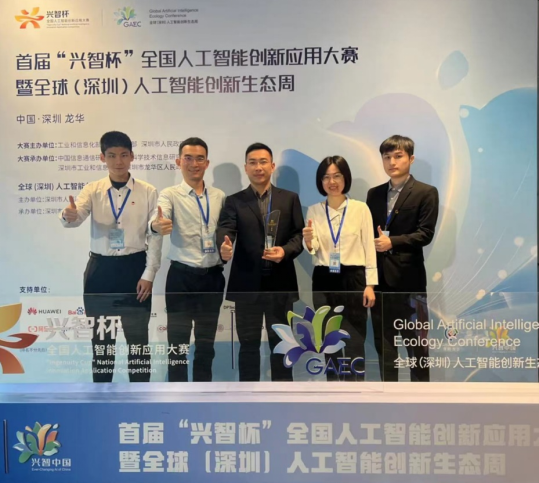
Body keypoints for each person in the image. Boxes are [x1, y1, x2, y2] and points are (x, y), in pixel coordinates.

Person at [60, 131, 162, 383]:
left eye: (124, 155)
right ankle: (102, 397)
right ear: (102, 157)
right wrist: (68, 216)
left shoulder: (148, 191)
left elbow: (155, 234)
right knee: (102, 345)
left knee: (138, 344)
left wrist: (149, 273)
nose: (118, 161)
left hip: (134, 270)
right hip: (100, 272)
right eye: (112, 155)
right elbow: (76, 216)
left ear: (132, 156)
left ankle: (140, 397)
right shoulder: (93, 190)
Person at [217, 142, 304, 382]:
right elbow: (226, 229)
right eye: (253, 163)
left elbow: (299, 235)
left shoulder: (290, 199)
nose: (258, 167)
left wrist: (284, 251)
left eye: (263, 162)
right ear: (245, 168)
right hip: (247, 284)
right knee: (248, 346)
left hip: (281, 284)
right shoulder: (234, 201)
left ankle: (283, 394)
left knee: (283, 345)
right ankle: (248, 396)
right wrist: (224, 246)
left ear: (272, 166)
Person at [150, 137, 225, 382]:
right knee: (177, 346)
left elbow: (226, 232)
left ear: (207, 163)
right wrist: (156, 225)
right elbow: (159, 218)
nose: (194, 164)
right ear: (179, 162)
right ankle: (176, 395)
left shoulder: (219, 196)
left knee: (206, 345)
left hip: (212, 279)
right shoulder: (170, 195)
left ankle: (203, 394)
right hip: (181, 278)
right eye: (188, 158)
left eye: (200, 158)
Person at [366, 135, 439, 382]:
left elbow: (425, 234)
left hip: (411, 284)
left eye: (398, 156)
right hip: (380, 284)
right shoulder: (374, 194)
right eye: (387, 157)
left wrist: (392, 242)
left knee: (417, 349)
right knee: (385, 348)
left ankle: (421, 400)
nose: (392, 162)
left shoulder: (426, 192)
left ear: (411, 158)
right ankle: (389, 399)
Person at [303, 156, 377, 381]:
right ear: (320, 181)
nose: (332, 182)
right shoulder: (314, 210)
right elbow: (314, 249)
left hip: (353, 277)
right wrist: (308, 241)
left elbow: (369, 248)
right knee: (329, 339)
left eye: (337, 176)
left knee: (355, 338)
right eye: (326, 177)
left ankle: (356, 388)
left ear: (346, 178)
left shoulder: (360, 209)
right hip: (324, 278)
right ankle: (333, 388)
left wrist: (370, 285)